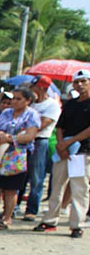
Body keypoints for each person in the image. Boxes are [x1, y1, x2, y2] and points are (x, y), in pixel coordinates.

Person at [35, 68, 90, 237]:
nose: (80, 85)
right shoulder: (71, 104)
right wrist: (61, 145)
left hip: (81, 151)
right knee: (56, 186)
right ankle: (50, 220)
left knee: (79, 188)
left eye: (83, 81)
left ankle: (77, 224)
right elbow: (60, 127)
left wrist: (69, 142)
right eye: (77, 82)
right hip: (63, 150)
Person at [0, 88, 40, 230]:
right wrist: (0, 135)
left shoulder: (32, 115)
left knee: (11, 188)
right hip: (0, 152)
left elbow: (30, 136)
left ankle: (7, 218)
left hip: (18, 154)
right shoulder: (6, 113)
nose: (14, 102)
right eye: (13, 98)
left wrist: (10, 138)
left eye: (18, 99)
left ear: (27, 101)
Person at [24, 76, 62, 221]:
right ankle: (13, 207)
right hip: (24, 141)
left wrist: (26, 127)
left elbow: (41, 125)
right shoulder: (31, 104)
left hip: (40, 141)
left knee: (37, 177)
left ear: (40, 88)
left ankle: (32, 209)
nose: (31, 90)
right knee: (21, 176)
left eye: (33, 87)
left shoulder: (52, 106)